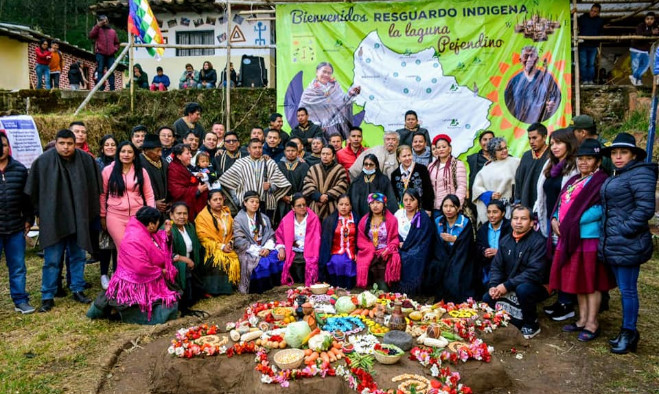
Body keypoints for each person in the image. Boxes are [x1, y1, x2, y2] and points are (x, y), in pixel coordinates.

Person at [25, 129, 102, 312]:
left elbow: (94, 189)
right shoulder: (43, 162)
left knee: (77, 256)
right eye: (62, 143)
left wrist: (89, 214)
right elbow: (32, 192)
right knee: (52, 259)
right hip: (53, 218)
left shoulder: (86, 160)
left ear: (75, 143)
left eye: (70, 143)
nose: (66, 147)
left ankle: (77, 288)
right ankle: (47, 295)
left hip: (78, 217)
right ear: (56, 142)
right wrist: (38, 213)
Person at [548, 139, 615, 342]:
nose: (584, 162)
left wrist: (570, 223)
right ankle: (582, 319)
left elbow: (600, 209)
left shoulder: (600, 181)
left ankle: (592, 322)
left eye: (589, 159)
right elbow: (561, 204)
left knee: (591, 281)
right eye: (581, 159)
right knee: (578, 279)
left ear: (597, 161)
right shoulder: (574, 180)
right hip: (570, 236)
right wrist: (555, 219)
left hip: (588, 237)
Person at [599, 133, 657, 354]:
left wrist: (624, 230)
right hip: (615, 242)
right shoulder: (619, 174)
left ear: (633, 154)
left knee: (628, 290)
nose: (618, 156)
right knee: (624, 289)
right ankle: (626, 331)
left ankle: (629, 332)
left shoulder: (640, 174)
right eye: (614, 152)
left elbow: (645, 209)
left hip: (628, 242)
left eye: (623, 152)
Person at [89, 207, 180, 324]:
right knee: (167, 308)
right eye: (158, 223)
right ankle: (121, 312)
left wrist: (166, 233)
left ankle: (116, 310)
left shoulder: (140, 229)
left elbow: (156, 239)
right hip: (134, 286)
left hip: (143, 279)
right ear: (151, 224)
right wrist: (159, 271)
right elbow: (140, 268)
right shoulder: (135, 238)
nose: (159, 226)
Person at [534, 128, 580, 321]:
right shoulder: (550, 165)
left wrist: (560, 219)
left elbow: (574, 198)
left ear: (569, 144)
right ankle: (561, 299)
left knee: (566, 262)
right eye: (552, 144)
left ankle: (568, 303)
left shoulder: (575, 167)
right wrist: (536, 214)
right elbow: (541, 194)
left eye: (559, 143)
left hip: (563, 222)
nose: (554, 147)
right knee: (554, 261)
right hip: (547, 220)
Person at [483, 205, 549, 339]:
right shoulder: (505, 240)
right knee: (487, 297)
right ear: (510, 220)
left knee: (523, 290)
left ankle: (532, 324)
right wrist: (494, 285)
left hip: (536, 285)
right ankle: (505, 319)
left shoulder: (539, 242)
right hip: (510, 283)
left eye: (523, 219)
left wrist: (506, 286)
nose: (518, 222)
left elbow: (534, 272)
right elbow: (496, 267)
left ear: (531, 223)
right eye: (515, 218)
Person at [0, 133, 35, 313]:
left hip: (15, 228)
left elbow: (27, 200)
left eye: (5, 145)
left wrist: (29, 219)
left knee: (18, 267)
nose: (2, 148)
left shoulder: (20, 170)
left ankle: (20, 300)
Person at [100, 141, 155, 248]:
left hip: (138, 216)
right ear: (118, 153)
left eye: (130, 152)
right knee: (123, 248)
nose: (126, 154)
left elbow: (149, 194)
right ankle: (122, 265)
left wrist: (151, 216)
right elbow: (102, 194)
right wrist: (102, 215)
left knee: (137, 248)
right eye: (123, 151)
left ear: (134, 155)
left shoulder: (142, 172)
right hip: (115, 217)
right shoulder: (108, 171)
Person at [220, 138, 291, 220]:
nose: (258, 150)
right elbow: (226, 180)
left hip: (266, 204)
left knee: (264, 228)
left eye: (260, 147)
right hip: (246, 204)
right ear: (248, 149)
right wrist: (236, 199)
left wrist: (271, 186)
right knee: (247, 229)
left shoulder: (270, 163)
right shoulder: (240, 163)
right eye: (254, 148)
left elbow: (279, 181)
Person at [424, 194, 476, 302]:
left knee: (456, 270)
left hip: (460, 255)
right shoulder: (438, 221)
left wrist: (456, 241)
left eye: (452, 206)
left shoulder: (465, 222)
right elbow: (435, 243)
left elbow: (469, 244)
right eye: (445, 206)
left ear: (458, 208)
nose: (448, 209)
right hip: (443, 254)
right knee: (436, 266)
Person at [233, 191, 283, 294]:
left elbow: (270, 234)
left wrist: (267, 248)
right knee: (260, 263)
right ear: (245, 203)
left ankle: (274, 283)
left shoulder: (263, 218)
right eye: (252, 201)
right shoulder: (239, 219)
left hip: (263, 246)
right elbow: (239, 240)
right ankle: (259, 287)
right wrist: (257, 250)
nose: (255, 204)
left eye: (257, 202)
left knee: (276, 257)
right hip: (248, 250)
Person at [195, 190, 241, 295]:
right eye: (215, 200)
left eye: (220, 199)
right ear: (208, 202)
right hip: (210, 249)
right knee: (219, 259)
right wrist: (221, 247)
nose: (219, 202)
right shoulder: (202, 217)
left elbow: (233, 232)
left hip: (228, 246)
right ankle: (216, 290)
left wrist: (230, 243)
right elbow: (203, 238)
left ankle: (233, 286)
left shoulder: (227, 213)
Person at [299, 61, 361, 140]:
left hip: (335, 128)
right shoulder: (309, 92)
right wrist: (316, 126)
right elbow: (303, 112)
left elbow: (343, 103)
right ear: (317, 72)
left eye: (329, 73)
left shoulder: (335, 87)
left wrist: (351, 94)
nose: (326, 75)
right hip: (316, 131)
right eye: (324, 72)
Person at [355, 193, 401, 290]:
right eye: (372, 203)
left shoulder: (392, 220)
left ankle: (383, 285)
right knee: (369, 262)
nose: (375, 205)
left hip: (384, 253)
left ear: (384, 204)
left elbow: (394, 238)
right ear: (369, 205)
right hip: (369, 252)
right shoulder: (364, 220)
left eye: (378, 202)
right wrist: (370, 248)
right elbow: (361, 239)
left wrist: (388, 249)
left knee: (382, 265)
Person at [504, 46, 561, 123]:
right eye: (526, 56)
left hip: (541, 123)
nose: (529, 59)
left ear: (537, 59)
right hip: (519, 123)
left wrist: (552, 104)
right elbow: (507, 102)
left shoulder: (546, 78)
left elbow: (556, 96)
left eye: (532, 56)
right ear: (520, 60)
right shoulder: (514, 81)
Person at [393, 189, 433, 297]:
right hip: (400, 246)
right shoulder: (398, 214)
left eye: (412, 200)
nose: (408, 203)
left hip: (419, 247)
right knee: (398, 257)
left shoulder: (423, 217)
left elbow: (425, 238)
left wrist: (407, 246)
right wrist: (398, 242)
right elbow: (392, 232)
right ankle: (399, 291)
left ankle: (412, 291)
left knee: (414, 257)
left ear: (418, 201)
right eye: (405, 200)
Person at [472, 137, 520, 226]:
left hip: (511, 208)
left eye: (505, 147)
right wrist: (489, 195)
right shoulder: (486, 167)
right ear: (493, 152)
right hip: (493, 209)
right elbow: (476, 188)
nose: (504, 150)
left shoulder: (516, 162)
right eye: (500, 149)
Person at [277, 193, 321, 286]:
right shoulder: (286, 220)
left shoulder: (314, 219)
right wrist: (281, 248)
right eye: (299, 205)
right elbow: (279, 236)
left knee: (309, 263)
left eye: (304, 205)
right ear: (293, 208)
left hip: (309, 251)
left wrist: (302, 245)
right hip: (293, 250)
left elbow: (316, 239)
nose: (302, 207)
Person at [168, 202, 204, 315]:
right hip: (175, 263)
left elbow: (196, 246)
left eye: (185, 213)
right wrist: (186, 260)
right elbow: (167, 254)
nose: (182, 217)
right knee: (184, 269)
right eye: (178, 213)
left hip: (190, 262)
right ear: (171, 215)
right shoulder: (168, 229)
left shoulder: (189, 226)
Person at [319, 194, 359, 289]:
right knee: (337, 262)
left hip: (352, 252)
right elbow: (325, 242)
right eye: (341, 204)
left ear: (351, 206)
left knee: (349, 263)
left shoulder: (357, 220)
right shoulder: (330, 221)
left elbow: (361, 238)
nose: (344, 207)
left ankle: (350, 288)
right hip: (336, 251)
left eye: (346, 204)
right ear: (337, 205)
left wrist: (358, 252)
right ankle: (337, 288)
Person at [96, 135, 119, 289]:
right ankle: (104, 273)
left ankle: (118, 272)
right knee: (105, 245)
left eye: (113, 144)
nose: (110, 147)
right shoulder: (98, 164)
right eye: (107, 144)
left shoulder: (122, 163)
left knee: (118, 244)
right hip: (104, 208)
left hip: (120, 210)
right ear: (102, 147)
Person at [303, 145, 349, 220]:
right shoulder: (313, 168)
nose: (325, 156)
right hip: (315, 205)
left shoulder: (340, 169)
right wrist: (318, 196)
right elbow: (307, 183)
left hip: (332, 205)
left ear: (333, 156)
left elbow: (342, 185)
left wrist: (327, 196)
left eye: (328, 154)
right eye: (323, 154)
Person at [475, 200, 512, 290]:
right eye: (489, 212)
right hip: (487, 264)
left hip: (506, 264)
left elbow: (514, 248)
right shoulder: (483, 229)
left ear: (503, 213)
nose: (491, 215)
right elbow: (477, 246)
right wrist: (484, 251)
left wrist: (498, 252)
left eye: (495, 212)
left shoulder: (510, 228)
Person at [168, 143, 208, 219]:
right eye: (187, 153)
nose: (190, 156)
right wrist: (197, 190)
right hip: (184, 208)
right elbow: (176, 191)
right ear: (179, 156)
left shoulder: (187, 166)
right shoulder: (174, 169)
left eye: (190, 153)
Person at [514, 122, 550, 208]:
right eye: (529, 138)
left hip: (545, 202)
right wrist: (518, 200)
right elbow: (519, 179)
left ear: (544, 137)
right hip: (526, 201)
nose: (531, 142)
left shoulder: (551, 155)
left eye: (534, 138)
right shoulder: (526, 156)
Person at [428, 134, 467, 209]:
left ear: (450, 149)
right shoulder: (431, 166)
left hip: (451, 207)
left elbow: (462, 186)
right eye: (438, 147)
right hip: (435, 207)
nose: (441, 149)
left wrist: (456, 205)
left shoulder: (457, 164)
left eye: (444, 147)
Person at [391, 145, 434, 212]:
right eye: (404, 156)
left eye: (409, 155)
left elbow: (428, 191)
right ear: (398, 158)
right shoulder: (394, 174)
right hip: (403, 210)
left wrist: (428, 209)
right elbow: (395, 194)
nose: (407, 158)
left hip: (420, 209)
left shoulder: (421, 169)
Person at [277, 141, 310, 221]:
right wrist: (282, 196)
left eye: (293, 151)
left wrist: (297, 197)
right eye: (288, 151)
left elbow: (307, 184)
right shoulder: (279, 165)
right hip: (282, 199)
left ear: (297, 152)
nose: (290, 153)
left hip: (300, 200)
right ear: (284, 152)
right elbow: (275, 183)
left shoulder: (304, 166)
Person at [139, 134, 169, 217]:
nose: (160, 154)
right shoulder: (138, 163)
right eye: (157, 151)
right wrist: (153, 203)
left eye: (161, 151)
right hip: (146, 209)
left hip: (164, 209)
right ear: (146, 150)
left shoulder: (164, 163)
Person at [574, 3, 604, 85]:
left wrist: (598, 46)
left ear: (598, 13)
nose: (592, 12)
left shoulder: (600, 21)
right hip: (583, 45)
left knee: (591, 64)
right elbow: (573, 21)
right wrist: (572, 13)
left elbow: (601, 33)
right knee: (583, 64)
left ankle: (590, 80)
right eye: (592, 10)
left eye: (595, 11)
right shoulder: (583, 18)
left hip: (593, 46)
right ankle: (584, 80)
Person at [89, 15, 119, 91]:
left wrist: (114, 49)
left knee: (111, 71)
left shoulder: (113, 31)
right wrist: (97, 26)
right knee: (100, 70)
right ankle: (100, 88)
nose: (104, 22)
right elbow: (91, 36)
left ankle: (112, 89)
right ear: (99, 21)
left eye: (105, 20)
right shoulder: (97, 29)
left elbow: (117, 43)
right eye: (102, 20)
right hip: (100, 53)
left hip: (111, 54)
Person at [629, 12, 659, 86]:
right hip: (636, 49)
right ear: (645, 19)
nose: (649, 20)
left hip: (645, 50)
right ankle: (637, 81)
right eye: (647, 19)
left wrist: (655, 32)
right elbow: (640, 33)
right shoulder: (641, 26)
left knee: (646, 65)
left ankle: (635, 77)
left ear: (654, 20)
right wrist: (651, 32)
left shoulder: (655, 27)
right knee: (636, 66)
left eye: (651, 19)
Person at [466, 130, 494, 197]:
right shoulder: (473, 159)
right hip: (480, 194)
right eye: (485, 139)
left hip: (498, 193)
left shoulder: (501, 158)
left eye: (491, 139)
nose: (488, 142)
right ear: (480, 142)